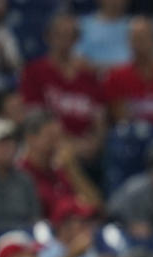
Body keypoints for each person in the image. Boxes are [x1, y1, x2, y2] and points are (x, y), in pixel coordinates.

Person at [19, 13, 106, 164]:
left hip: (88, 150)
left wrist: (95, 142)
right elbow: (35, 119)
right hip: (51, 148)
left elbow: (100, 117)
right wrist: (69, 143)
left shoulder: (88, 75)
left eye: (70, 36)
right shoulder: (34, 71)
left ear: (77, 40)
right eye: (59, 35)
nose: (64, 41)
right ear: (48, 37)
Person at [102, 17, 153, 128]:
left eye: (145, 37)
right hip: (131, 138)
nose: (141, 43)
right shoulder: (116, 77)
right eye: (136, 38)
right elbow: (120, 117)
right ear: (129, 42)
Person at [18, 111, 101, 219]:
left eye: (59, 137)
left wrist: (72, 168)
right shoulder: (21, 175)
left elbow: (97, 206)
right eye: (51, 137)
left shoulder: (61, 171)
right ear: (31, 139)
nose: (57, 143)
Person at [0, 118, 42, 234]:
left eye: (10, 143)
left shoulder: (25, 179)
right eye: (0, 144)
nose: (7, 148)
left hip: (25, 239)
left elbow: (35, 219)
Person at [76, 0, 131, 69]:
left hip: (126, 76)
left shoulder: (135, 26)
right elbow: (77, 57)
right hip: (92, 75)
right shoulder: (83, 25)